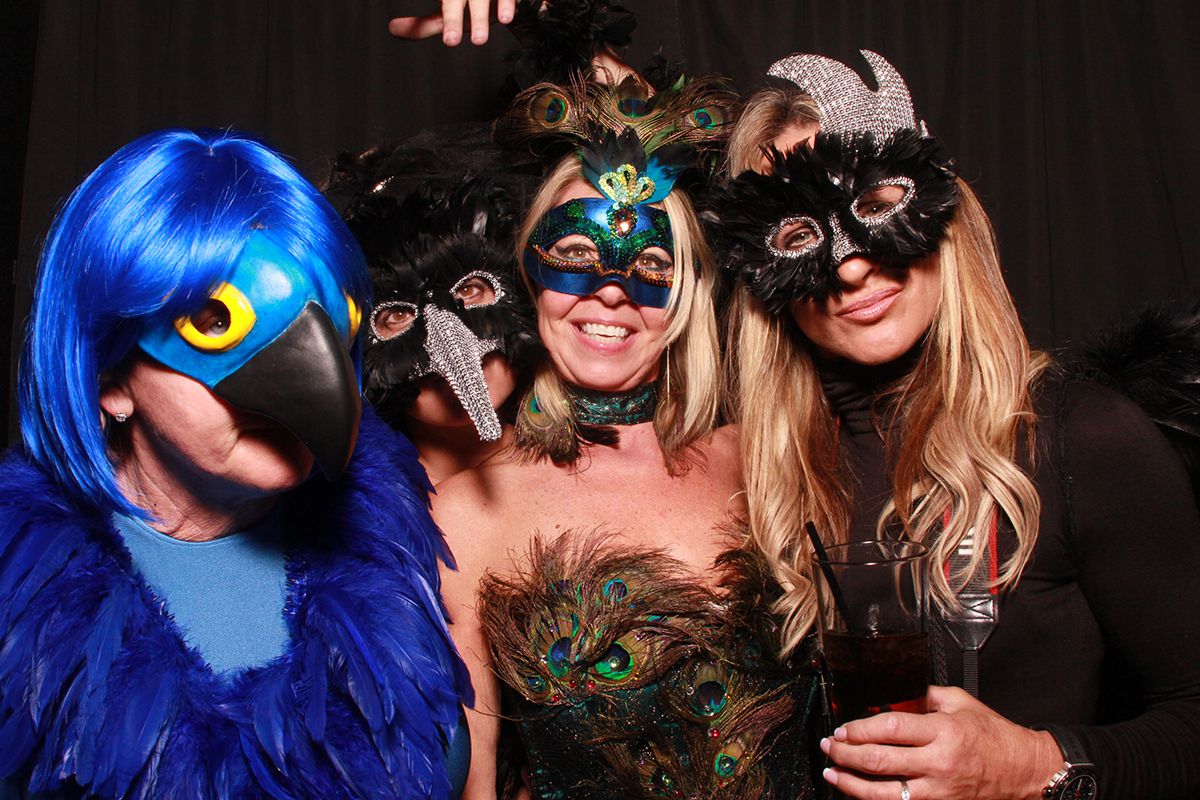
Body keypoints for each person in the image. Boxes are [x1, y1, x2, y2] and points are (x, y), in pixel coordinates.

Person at [712, 50, 1200, 800]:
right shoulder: (755, 474)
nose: (850, 266)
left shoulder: (1082, 438)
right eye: (800, 235)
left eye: (876, 204)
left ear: (942, 211)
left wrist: (1030, 765)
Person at [0, 128, 471, 798]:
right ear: (109, 377)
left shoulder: (391, 537)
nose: (302, 383)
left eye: (331, 321)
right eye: (215, 323)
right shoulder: (21, 601)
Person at [432, 74, 825, 800]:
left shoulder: (767, 456)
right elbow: (473, 779)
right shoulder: (468, 511)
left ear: (684, 297)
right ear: (530, 276)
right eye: (576, 256)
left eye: (650, 264)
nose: (611, 290)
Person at [325, 149, 541, 484]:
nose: (446, 336)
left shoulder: (587, 463)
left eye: (469, 290)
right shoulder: (355, 503)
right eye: (397, 315)